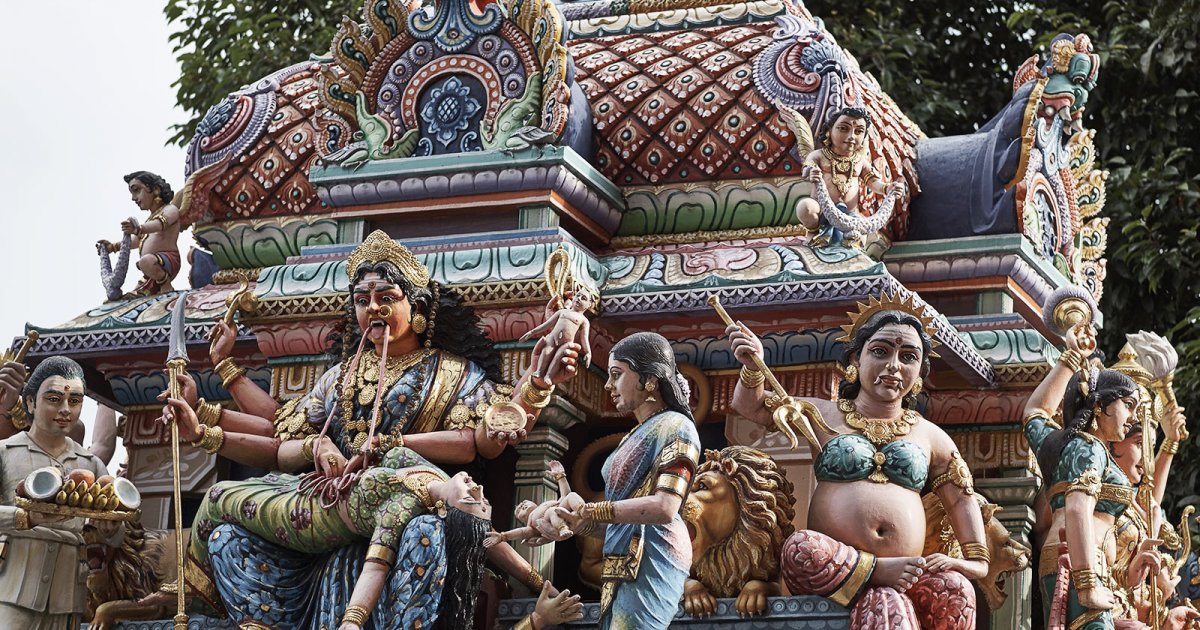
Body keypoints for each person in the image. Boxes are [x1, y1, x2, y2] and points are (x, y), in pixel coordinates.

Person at [145, 230, 583, 627]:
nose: (372, 307)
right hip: (326, 506)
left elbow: (484, 439)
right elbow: (280, 429)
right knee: (225, 533)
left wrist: (538, 381)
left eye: (386, 296)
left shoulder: (450, 373)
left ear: (418, 308)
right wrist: (204, 407)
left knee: (425, 535)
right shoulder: (342, 375)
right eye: (361, 299)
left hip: (406, 505)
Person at [725, 293, 987, 628]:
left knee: (955, 589)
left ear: (920, 372)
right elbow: (752, 407)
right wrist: (752, 367)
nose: (894, 365)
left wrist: (976, 562)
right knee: (800, 548)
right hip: (830, 566)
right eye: (881, 351)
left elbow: (962, 500)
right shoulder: (821, 414)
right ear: (856, 359)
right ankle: (875, 573)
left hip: (910, 573)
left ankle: (883, 582)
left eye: (908, 357)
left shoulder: (931, 436)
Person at [533, 331, 701, 630]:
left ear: (649, 378)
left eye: (616, 374)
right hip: (621, 562)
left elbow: (664, 507)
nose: (608, 385)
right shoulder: (632, 436)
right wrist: (578, 524)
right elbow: (621, 521)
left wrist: (590, 511)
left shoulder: (677, 427)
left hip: (655, 557)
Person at [1023, 321, 1140, 629]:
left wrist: (1071, 356)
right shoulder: (1090, 449)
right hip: (1082, 566)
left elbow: (1034, 413)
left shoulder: (1064, 445)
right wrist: (1088, 583)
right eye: (1128, 405)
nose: (1132, 418)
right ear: (1100, 405)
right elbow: (1078, 508)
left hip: (1067, 562)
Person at [0, 357, 114, 627]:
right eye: (54, 399)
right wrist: (27, 519)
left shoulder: (92, 464)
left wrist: (110, 527)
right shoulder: (5, 453)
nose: (65, 410)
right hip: (12, 589)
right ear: (30, 402)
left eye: (74, 401)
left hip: (68, 594)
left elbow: (117, 536)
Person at [794, 107, 905, 246]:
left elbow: (873, 182)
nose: (852, 136)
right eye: (843, 129)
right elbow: (807, 168)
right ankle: (813, 232)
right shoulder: (820, 155)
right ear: (829, 131)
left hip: (850, 216)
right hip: (821, 211)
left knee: (863, 240)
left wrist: (887, 189)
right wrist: (812, 172)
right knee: (805, 207)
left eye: (858, 131)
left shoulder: (860, 161)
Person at [96, 171, 183, 297]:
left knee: (146, 262)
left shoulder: (170, 210)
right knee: (132, 297)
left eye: (136, 190)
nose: (133, 198)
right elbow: (136, 241)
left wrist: (138, 229)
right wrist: (113, 247)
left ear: (156, 190)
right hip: (149, 271)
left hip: (166, 261)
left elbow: (159, 225)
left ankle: (165, 285)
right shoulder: (149, 221)